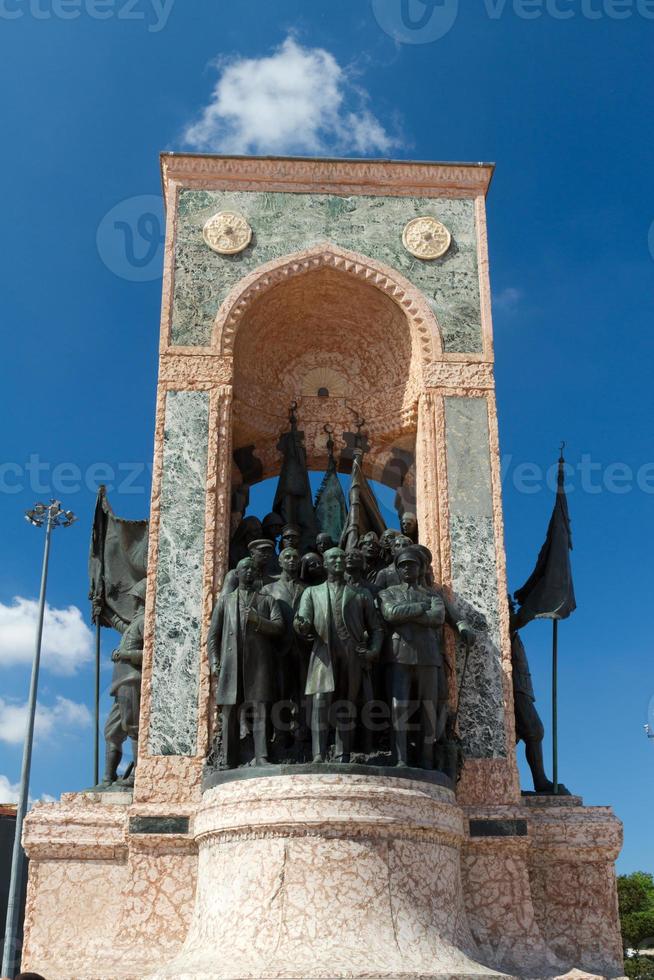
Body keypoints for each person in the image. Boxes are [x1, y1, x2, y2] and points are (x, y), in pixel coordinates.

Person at [295, 547, 384, 763]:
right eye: (333, 557)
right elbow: (302, 620)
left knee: (346, 704)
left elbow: (377, 629)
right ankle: (318, 754)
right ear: (325, 564)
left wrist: (373, 651)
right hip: (323, 654)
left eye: (341, 557)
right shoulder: (311, 592)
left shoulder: (360, 594)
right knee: (320, 702)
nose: (338, 560)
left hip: (351, 654)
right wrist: (302, 625)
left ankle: (342, 753)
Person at [207, 558, 284, 768]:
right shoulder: (225, 601)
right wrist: (214, 662)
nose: (249, 572)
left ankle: (262, 756)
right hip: (231, 664)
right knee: (230, 711)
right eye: (244, 569)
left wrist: (257, 620)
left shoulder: (267, 601)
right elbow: (213, 636)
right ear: (237, 574)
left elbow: (279, 627)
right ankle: (228, 759)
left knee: (260, 709)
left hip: (258, 664)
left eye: (252, 569)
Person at [379, 549, 446, 769]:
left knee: (428, 709)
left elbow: (436, 618)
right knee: (399, 708)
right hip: (399, 656)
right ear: (397, 569)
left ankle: (426, 759)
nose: (408, 568)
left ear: (420, 568)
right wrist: (419, 609)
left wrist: (405, 614)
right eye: (403, 565)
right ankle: (401, 758)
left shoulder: (433, 595)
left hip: (428, 657)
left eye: (412, 565)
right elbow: (390, 614)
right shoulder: (388, 593)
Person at [96, 578, 146, 789]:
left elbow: (153, 653)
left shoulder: (145, 621)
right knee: (112, 731)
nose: (133, 604)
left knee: (133, 727)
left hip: (132, 681)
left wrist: (125, 654)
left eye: (136, 599)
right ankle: (108, 779)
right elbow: (121, 625)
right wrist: (103, 610)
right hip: (121, 684)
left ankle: (137, 778)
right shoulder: (135, 622)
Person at [262, 548, 307, 739]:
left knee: (303, 694)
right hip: (278, 648)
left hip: (303, 648)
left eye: (295, 557)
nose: (292, 560)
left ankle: (303, 736)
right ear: (279, 562)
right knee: (280, 693)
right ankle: (280, 737)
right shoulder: (268, 589)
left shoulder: (306, 589)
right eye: (287, 557)